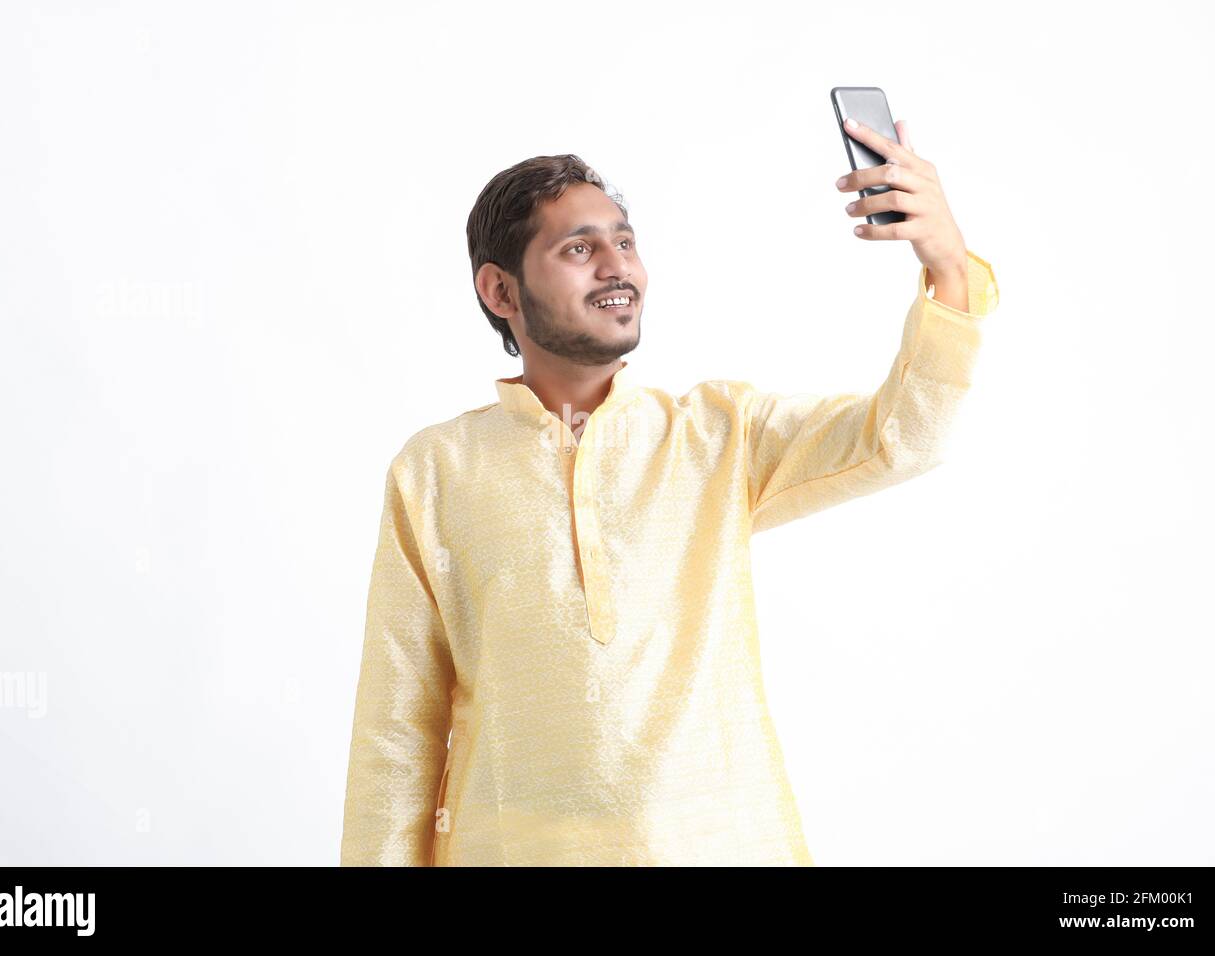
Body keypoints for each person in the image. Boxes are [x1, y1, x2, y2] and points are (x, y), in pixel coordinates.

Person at [341, 117, 1000, 866]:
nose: (617, 266)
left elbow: (903, 437)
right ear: (500, 290)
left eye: (625, 241)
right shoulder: (436, 472)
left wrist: (948, 268)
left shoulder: (716, 436)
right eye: (579, 248)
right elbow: (397, 732)